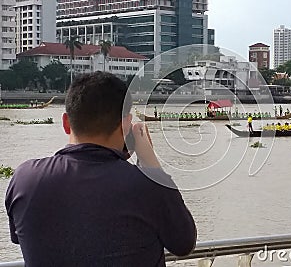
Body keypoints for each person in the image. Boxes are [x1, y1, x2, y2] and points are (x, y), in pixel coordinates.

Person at [5, 72, 196, 266]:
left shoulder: (24, 179)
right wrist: (150, 164)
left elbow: (20, 237)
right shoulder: (147, 185)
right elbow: (183, 243)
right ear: (126, 124)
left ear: (65, 123)